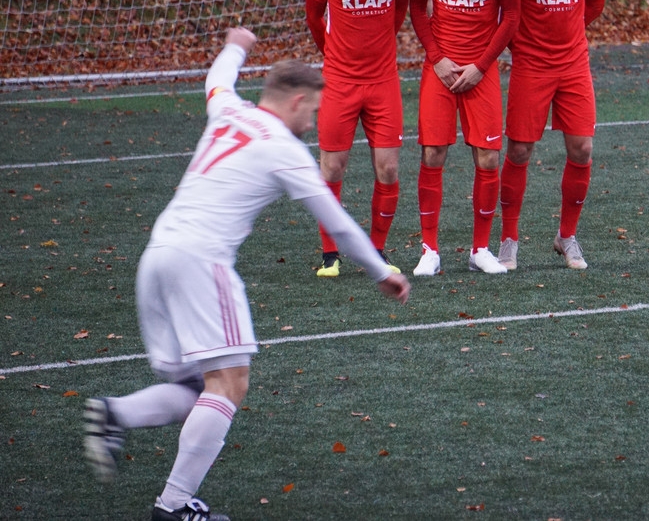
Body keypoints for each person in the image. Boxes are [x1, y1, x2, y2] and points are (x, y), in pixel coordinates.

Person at [83, 28, 410, 521]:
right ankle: (172, 507)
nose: (314, 122)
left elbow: (218, 78)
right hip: (201, 260)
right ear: (298, 101)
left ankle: (115, 413)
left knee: (198, 388)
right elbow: (338, 224)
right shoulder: (284, 148)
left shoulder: (229, 109)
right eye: (314, 111)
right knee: (230, 383)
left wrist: (237, 45)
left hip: (159, 253)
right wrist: (380, 269)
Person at [408, 0, 521, 276]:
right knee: (433, 153)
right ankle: (429, 250)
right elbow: (418, 9)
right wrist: (436, 58)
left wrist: (482, 65)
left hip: (481, 71)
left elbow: (512, 17)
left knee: (488, 157)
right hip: (439, 71)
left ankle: (480, 249)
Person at [498, 0, 607, 271]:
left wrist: (571, 36)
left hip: (574, 65)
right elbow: (505, 14)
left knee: (582, 149)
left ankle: (566, 236)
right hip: (531, 65)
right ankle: (509, 240)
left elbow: (594, 0)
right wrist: (526, 47)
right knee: (520, 151)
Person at [305, 0, 411, 278]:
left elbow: (399, 6)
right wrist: (333, 54)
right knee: (332, 168)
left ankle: (377, 250)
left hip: (383, 80)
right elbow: (314, 18)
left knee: (388, 169)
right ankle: (330, 254)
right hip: (339, 81)